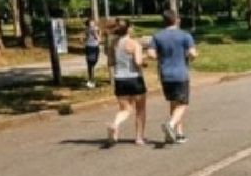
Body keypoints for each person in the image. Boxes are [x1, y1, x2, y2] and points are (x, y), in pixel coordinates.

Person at [148, 10, 198, 144]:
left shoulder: (157, 36)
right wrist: (189, 56)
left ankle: (178, 133)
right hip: (180, 74)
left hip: (165, 74)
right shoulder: (185, 36)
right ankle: (170, 125)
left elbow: (151, 55)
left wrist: (163, 57)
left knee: (174, 103)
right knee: (182, 104)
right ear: (176, 20)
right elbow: (193, 53)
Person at [105, 19, 147, 147]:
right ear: (128, 29)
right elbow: (138, 62)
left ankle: (115, 124)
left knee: (125, 110)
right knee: (140, 110)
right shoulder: (134, 44)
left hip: (120, 80)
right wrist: (145, 61)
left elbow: (110, 63)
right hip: (135, 79)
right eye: (132, 27)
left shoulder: (113, 44)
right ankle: (139, 138)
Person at [84, 18, 102, 89]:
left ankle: (90, 79)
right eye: (91, 23)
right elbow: (97, 37)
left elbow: (99, 31)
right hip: (91, 47)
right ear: (88, 24)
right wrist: (98, 37)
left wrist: (99, 33)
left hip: (93, 47)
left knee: (92, 63)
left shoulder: (92, 28)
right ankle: (91, 81)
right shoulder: (91, 29)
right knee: (91, 63)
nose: (93, 24)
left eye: (93, 22)